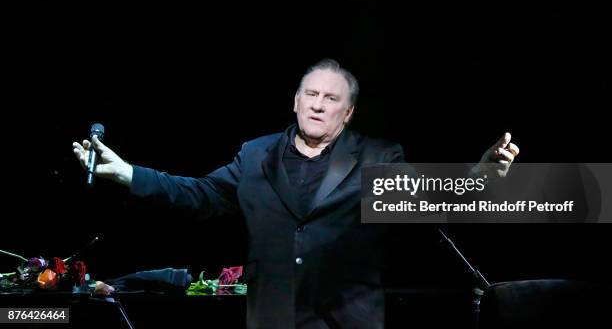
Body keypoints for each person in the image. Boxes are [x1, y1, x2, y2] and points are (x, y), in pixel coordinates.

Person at [72, 59, 519, 329]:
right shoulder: (256, 155)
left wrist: (478, 175)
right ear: (296, 100)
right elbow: (201, 194)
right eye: (311, 94)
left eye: (331, 98)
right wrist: (129, 174)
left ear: (347, 114)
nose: (318, 104)